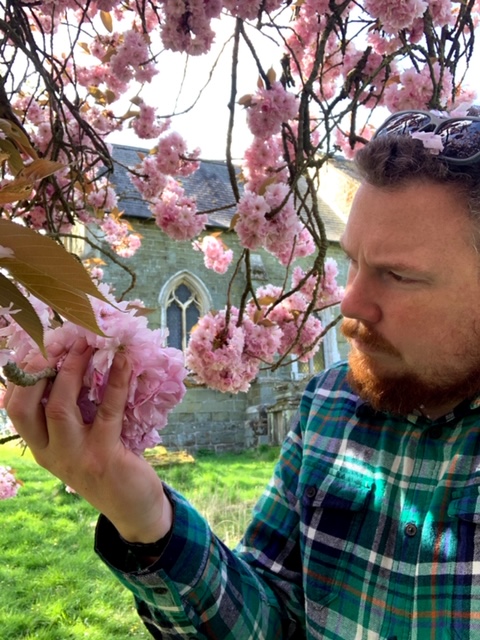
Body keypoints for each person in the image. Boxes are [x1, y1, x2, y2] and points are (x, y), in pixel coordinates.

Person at [6, 108, 480, 639]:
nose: (349, 302)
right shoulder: (330, 408)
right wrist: (143, 518)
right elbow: (270, 622)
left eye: (397, 275)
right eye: (353, 262)